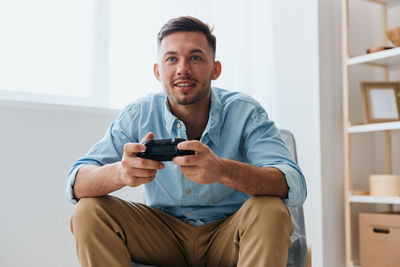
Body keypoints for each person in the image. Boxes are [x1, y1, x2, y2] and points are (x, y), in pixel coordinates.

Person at [66, 16, 307, 267]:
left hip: (231, 234)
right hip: (161, 236)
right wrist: (119, 172)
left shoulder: (245, 112)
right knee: (88, 212)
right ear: (158, 71)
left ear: (216, 69)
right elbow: (76, 183)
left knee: (270, 210)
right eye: (172, 59)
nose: (183, 68)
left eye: (195, 57)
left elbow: (293, 183)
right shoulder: (139, 114)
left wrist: (223, 170)